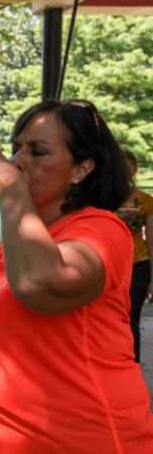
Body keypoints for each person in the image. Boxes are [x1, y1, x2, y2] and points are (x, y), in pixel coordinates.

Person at [0, 99, 153, 452]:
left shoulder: (100, 228)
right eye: (16, 149)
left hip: (83, 440)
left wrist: (9, 184)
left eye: (38, 152)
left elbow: (40, 286)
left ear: (81, 169)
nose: (18, 161)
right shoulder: (25, 236)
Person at [115, 150, 153, 363]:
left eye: (128, 171)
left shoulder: (146, 201)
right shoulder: (101, 199)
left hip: (138, 266)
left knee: (131, 320)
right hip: (109, 267)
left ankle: (131, 365)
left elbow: (152, 240)